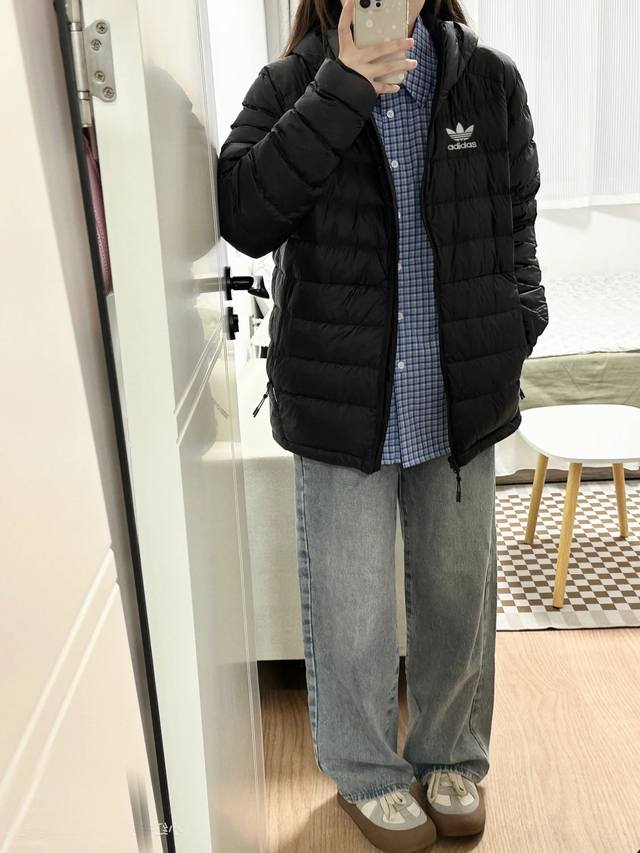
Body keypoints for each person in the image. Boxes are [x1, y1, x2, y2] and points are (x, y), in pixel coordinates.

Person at [217, 0, 548, 849]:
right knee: (352, 608)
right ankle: (367, 774)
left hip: (460, 396)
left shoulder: (488, 81)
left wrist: (520, 320)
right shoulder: (291, 84)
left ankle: (451, 758)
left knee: (457, 596)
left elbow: (518, 217)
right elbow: (245, 216)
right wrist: (341, 89)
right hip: (343, 406)